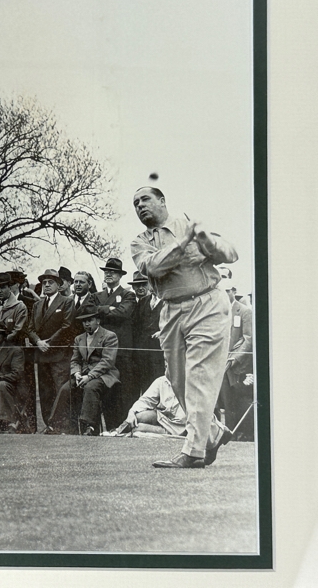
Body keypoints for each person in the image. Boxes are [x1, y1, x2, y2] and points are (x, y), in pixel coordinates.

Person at [130, 186, 238, 468]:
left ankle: (193, 452)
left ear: (162, 201)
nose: (140, 205)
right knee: (177, 381)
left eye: (145, 199)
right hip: (170, 310)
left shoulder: (188, 224)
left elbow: (231, 253)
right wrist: (184, 244)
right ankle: (212, 432)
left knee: (198, 377)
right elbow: (153, 267)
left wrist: (207, 244)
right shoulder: (139, 242)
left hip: (207, 303)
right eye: (135, 203)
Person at [107, 375, 234, 466]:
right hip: (165, 418)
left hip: (180, 426)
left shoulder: (189, 381)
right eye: (166, 362)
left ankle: (217, 431)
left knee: (138, 428)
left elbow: (189, 416)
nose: (168, 365)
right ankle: (117, 432)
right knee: (139, 416)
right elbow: (145, 400)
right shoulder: (162, 381)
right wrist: (132, 412)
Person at [47, 304, 120, 435]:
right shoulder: (79, 338)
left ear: (98, 320)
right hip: (83, 375)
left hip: (104, 375)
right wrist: (77, 373)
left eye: (89, 320)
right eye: (84, 321)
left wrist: (90, 376)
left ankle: (89, 427)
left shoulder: (110, 336)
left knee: (90, 387)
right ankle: (55, 425)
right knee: (65, 389)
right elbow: (75, 360)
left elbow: (107, 361)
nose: (86, 324)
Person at [27, 268, 74, 433]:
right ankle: (49, 425)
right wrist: (38, 342)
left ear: (59, 284)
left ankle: (60, 425)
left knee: (60, 390)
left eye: (50, 282)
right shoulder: (37, 305)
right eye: (44, 282)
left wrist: (50, 343)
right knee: (45, 392)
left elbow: (67, 326)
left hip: (59, 355)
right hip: (41, 355)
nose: (46, 285)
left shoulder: (67, 302)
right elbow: (30, 328)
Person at [94, 258, 137, 425]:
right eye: (106, 271)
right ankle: (110, 426)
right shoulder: (97, 295)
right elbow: (89, 311)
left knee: (124, 391)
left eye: (113, 272)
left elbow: (122, 313)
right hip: (103, 351)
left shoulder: (128, 295)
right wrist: (108, 309)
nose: (109, 274)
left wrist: (102, 312)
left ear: (120, 275)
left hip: (122, 351)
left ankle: (124, 426)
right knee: (106, 389)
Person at [216, 278, 254, 440]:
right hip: (219, 364)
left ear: (234, 291)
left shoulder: (244, 311)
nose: (225, 294)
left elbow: (248, 339)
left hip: (238, 366)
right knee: (223, 401)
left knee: (237, 400)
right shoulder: (216, 311)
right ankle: (225, 434)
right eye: (222, 291)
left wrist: (233, 359)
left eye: (228, 291)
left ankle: (238, 434)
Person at [129, 270, 164, 392]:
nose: (154, 285)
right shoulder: (143, 302)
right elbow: (135, 327)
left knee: (160, 384)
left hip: (160, 352)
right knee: (145, 385)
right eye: (151, 282)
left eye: (157, 282)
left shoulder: (169, 302)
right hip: (142, 353)